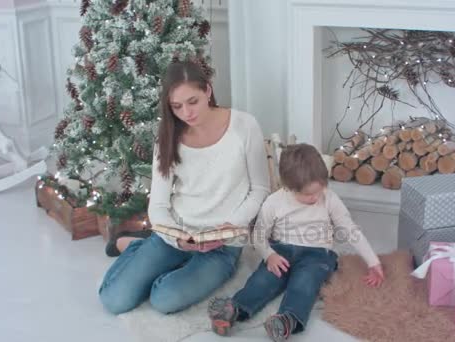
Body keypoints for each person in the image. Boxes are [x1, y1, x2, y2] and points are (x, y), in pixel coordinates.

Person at [98, 60, 270, 315]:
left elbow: (260, 188)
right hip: (176, 234)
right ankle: (140, 247)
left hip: (223, 244)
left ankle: (139, 248)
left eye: (193, 101)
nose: (187, 113)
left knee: (163, 299)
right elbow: (157, 205)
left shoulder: (245, 125)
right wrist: (176, 237)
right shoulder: (168, 136)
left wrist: (231, 226)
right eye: (176, 106)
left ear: (208, 91)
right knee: (115, 301)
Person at [208, 143, 384, 340]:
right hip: (281, 251)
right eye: (307, 195)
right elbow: (258, 235)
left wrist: (373, 261)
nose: (315, 197)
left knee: (304, 284)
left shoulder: (329, 198)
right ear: (288, 187)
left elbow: (350, 229)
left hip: (316, 254)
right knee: (263, 279)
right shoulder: (274, 202)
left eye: (318, 190)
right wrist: (270, 255)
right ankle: (234, 309)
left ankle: (287, 320)